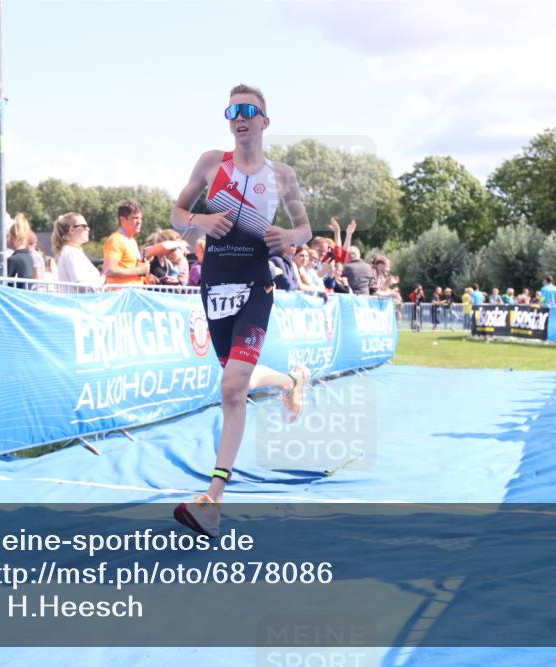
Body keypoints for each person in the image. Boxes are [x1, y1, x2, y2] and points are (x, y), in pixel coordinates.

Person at [168, 84, 312, 537]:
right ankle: (292, 380)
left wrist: (290, 238)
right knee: (239, 380)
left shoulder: (282, 174)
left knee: (231, 388)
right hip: (214, 283)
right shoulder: (212, 163)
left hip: (255, 282)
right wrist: (199, 220)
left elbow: (304, 227)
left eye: (250, 110)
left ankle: (213, 499)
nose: (240, 116)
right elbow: (176, 213)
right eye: (233, 110)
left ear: (265, 121)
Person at [102, 201, 150, 286]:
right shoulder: (115, 240)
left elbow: (131, 269)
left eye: (141, 218)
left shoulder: (132, 241)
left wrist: (147, 277)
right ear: (122, 219)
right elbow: (108, 270)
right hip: (121, 296)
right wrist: (139, 271)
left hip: (133, 294)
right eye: (135, 218)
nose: (139, 221)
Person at [51, 212, 103, 289]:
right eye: (84, 226)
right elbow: (80, 287)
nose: (88, 229)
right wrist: (103, 279)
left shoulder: (71, 251)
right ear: (72, 230)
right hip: (78, 300)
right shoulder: (71, 252)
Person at [6, 213, 36, 287]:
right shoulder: (29, 256)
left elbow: (3, 283)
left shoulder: (13, 259)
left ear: (13, 237)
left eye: (8, 236)